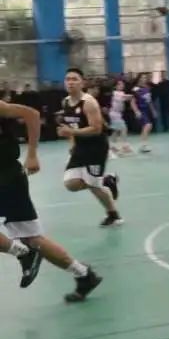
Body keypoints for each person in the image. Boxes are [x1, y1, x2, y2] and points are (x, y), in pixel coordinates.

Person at [0, 99, 103, 301]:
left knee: (31, 240)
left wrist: (32, 154)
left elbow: (32, 114)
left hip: (8, 178)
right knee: (32, 238)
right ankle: (83, 274)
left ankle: (23, 253)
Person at [58, 68, 121, 227]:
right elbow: (69, 126)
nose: (70, 82)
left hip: (96, 148)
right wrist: (72, 142)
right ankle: (106, 180)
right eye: (68, 79)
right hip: (80, 146)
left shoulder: (89, 102)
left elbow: (96, 129)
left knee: (94, 185)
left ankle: (113, 215)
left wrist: (71, 132)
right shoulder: (65, 102)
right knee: (71, 184)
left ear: (82, 83)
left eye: (74, 79)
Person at [132, 73, 155, 153]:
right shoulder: (136, 89)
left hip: (147, 110)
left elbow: (149, 101)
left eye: (145, 78)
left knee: (149, 126)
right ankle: (144, 145)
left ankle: (142, 145)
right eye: (142, 78)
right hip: (140, 110)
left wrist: (153, 110)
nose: (143, 79)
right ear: (139, 79)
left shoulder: (147, 88)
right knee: (147, 125)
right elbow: (132, 102)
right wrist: (136, 111)